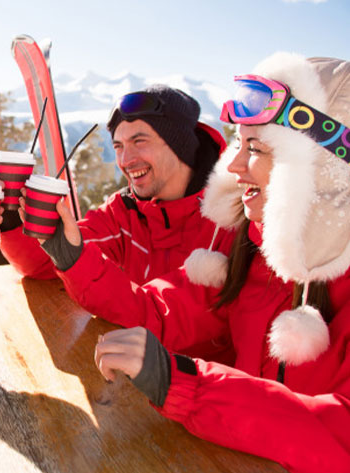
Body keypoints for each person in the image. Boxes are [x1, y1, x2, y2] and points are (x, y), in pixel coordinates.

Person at [93, 52, 350, 473]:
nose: (232, 165)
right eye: (239, 144)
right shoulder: (258, 254)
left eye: (257, 148)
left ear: (321, 172)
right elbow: (165, 309)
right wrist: (65, 252)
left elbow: (341, 432)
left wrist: (185, 385)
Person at [0, 84, 229, 287]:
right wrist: (12, 214)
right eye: (118, 146)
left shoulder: (234, 217)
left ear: (180, 146)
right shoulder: (123, 213)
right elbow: (49, 263)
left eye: (139, 141)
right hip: (123, 341)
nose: (125, 160)